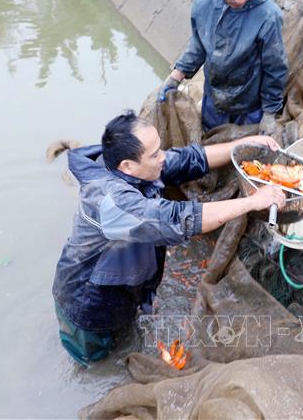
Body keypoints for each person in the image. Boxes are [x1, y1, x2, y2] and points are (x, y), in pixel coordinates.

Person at [51, 110, 286, 366]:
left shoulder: (136, 167)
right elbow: (177, 218)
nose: (163, 158)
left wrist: (240, 146)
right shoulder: (111, 202)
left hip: (121, 285)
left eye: (159, 149)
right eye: (155, 154)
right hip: (87, 303)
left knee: (126, 335)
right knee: (94, 364)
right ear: (127, 165)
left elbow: (187, 160)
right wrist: (252, 202)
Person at [158, 0, 288, 134]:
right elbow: (199, 44)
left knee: (245, 150)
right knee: (211, 137)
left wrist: (269, 113)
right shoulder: (203, 3)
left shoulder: (268, 15)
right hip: (214, 96)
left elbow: (275, 67)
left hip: (249, 102)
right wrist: (176, 75)